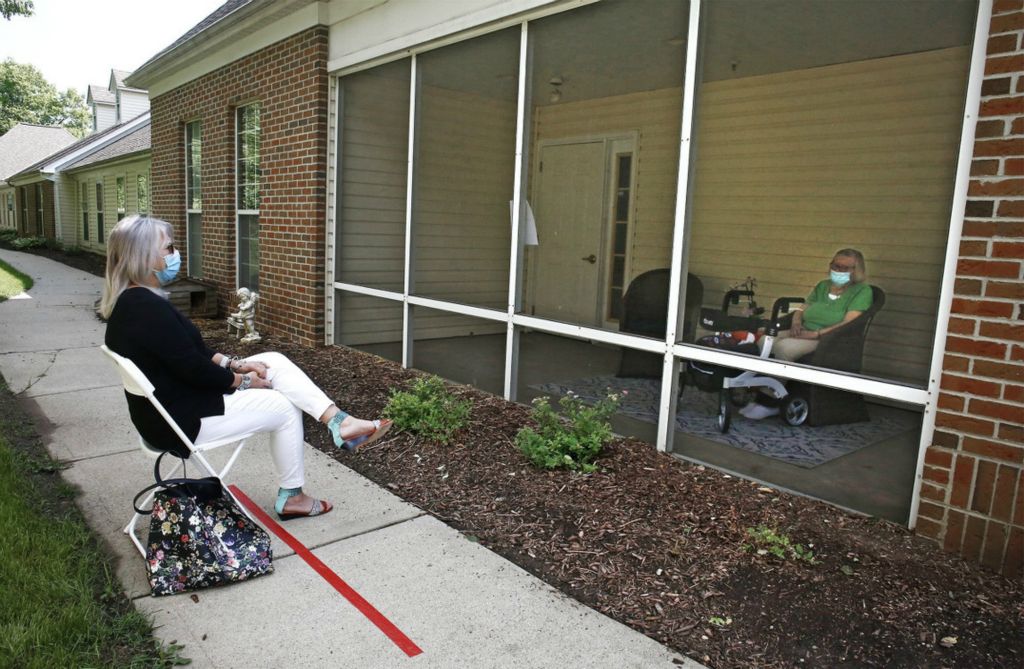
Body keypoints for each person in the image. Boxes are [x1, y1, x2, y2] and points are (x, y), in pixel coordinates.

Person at [101, 215, 391, 520]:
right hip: (179, 422)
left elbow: (193, 353)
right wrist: (243, 382)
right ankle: (293, 496)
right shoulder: (146, 309)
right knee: (283, 406)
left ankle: (338, 422)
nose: (175, 254)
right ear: (144, 256)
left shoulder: (134, 302)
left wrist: (238, 364)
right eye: (168, 248)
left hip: (169, 410)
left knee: (272, 361)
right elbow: (194, 369)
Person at [741, 248, 873, 420]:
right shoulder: (822, 286)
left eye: (845, 268)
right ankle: (759, 390)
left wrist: (817, 334)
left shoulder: (862, 291)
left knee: (784, 349)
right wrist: (796, 323)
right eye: (836, 265)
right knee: (764, 340)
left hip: (829, 338)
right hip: (803, 330)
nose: (838, 270)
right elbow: (801, 310)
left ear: (857, 270)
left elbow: (848, 323)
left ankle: (770, 401)